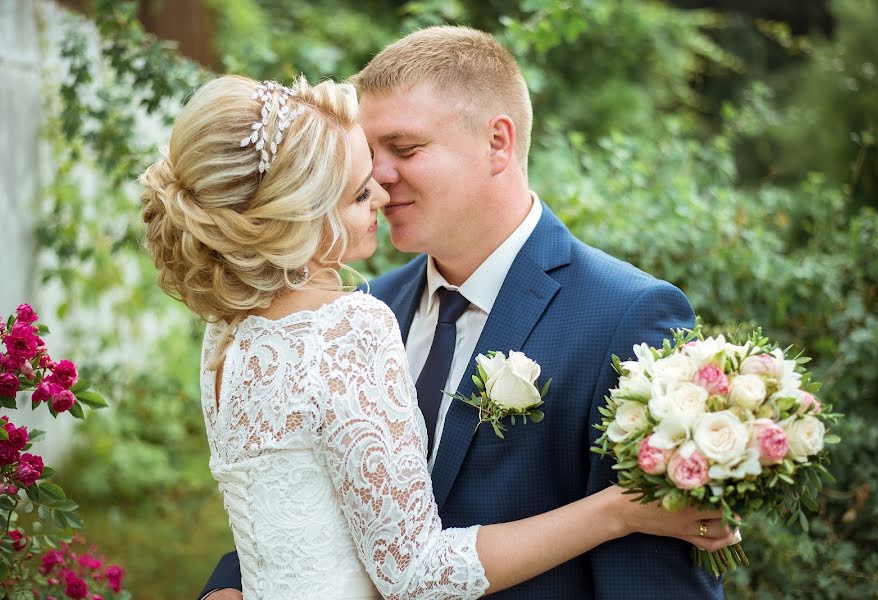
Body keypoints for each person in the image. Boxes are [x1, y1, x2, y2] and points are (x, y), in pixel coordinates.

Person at [165, 30, 732, 600]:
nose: (377, 178)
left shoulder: (626, 315)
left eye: (405, 149)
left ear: (498, 144)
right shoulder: (352, 312)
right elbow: (306, 513)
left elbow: (653, 572)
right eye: (366, 153)